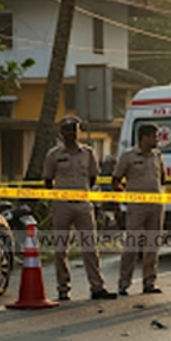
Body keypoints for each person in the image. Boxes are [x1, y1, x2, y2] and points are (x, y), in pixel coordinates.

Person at [42, 115, 116, 301]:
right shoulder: (54, 155)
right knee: (61, 249)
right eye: (67, 130)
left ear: (78, 131)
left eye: (74, 130)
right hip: (62, 205)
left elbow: (93, 177)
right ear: (62, 133)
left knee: (90, 247)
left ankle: (97, 287)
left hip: (83, 204)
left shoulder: (88, 153)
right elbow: (48, 180)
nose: (70, 134)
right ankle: (62, 288)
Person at [112, 123, 166, 296]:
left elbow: (163, 179)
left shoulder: (157, 156)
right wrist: (127, 196)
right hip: (137, 206)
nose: (156, 140)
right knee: (132, 244)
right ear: (144, 137)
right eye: (154, 136)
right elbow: (116, 180)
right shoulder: (128, 156)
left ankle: (149, 282)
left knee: (152, 245)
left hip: (156, 206)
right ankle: (124, 283)